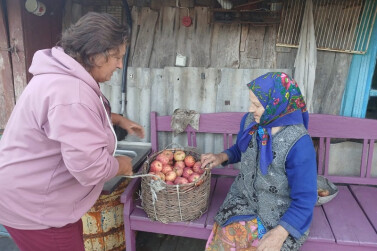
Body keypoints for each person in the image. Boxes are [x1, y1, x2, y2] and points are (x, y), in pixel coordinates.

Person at [0, 12, 144, 251]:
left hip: (37, 199)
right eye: (116, 56)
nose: (120, 64)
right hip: (37, 210)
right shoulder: (71, 93)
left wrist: (118, 119)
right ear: (95, 55)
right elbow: (90, 168)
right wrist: (121, 164)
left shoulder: (62, 76)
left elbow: (69, 121)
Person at [201, 72, 317, 251]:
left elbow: (306, 198)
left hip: (280, 214)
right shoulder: (251, 122)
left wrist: (280, 232)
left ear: (276, 105)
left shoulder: (299, 144)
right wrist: (221, 157)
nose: (250, 109)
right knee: (228, 237)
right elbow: (242, 148)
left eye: (256, 105)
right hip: (244, 199)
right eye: (251, 102)